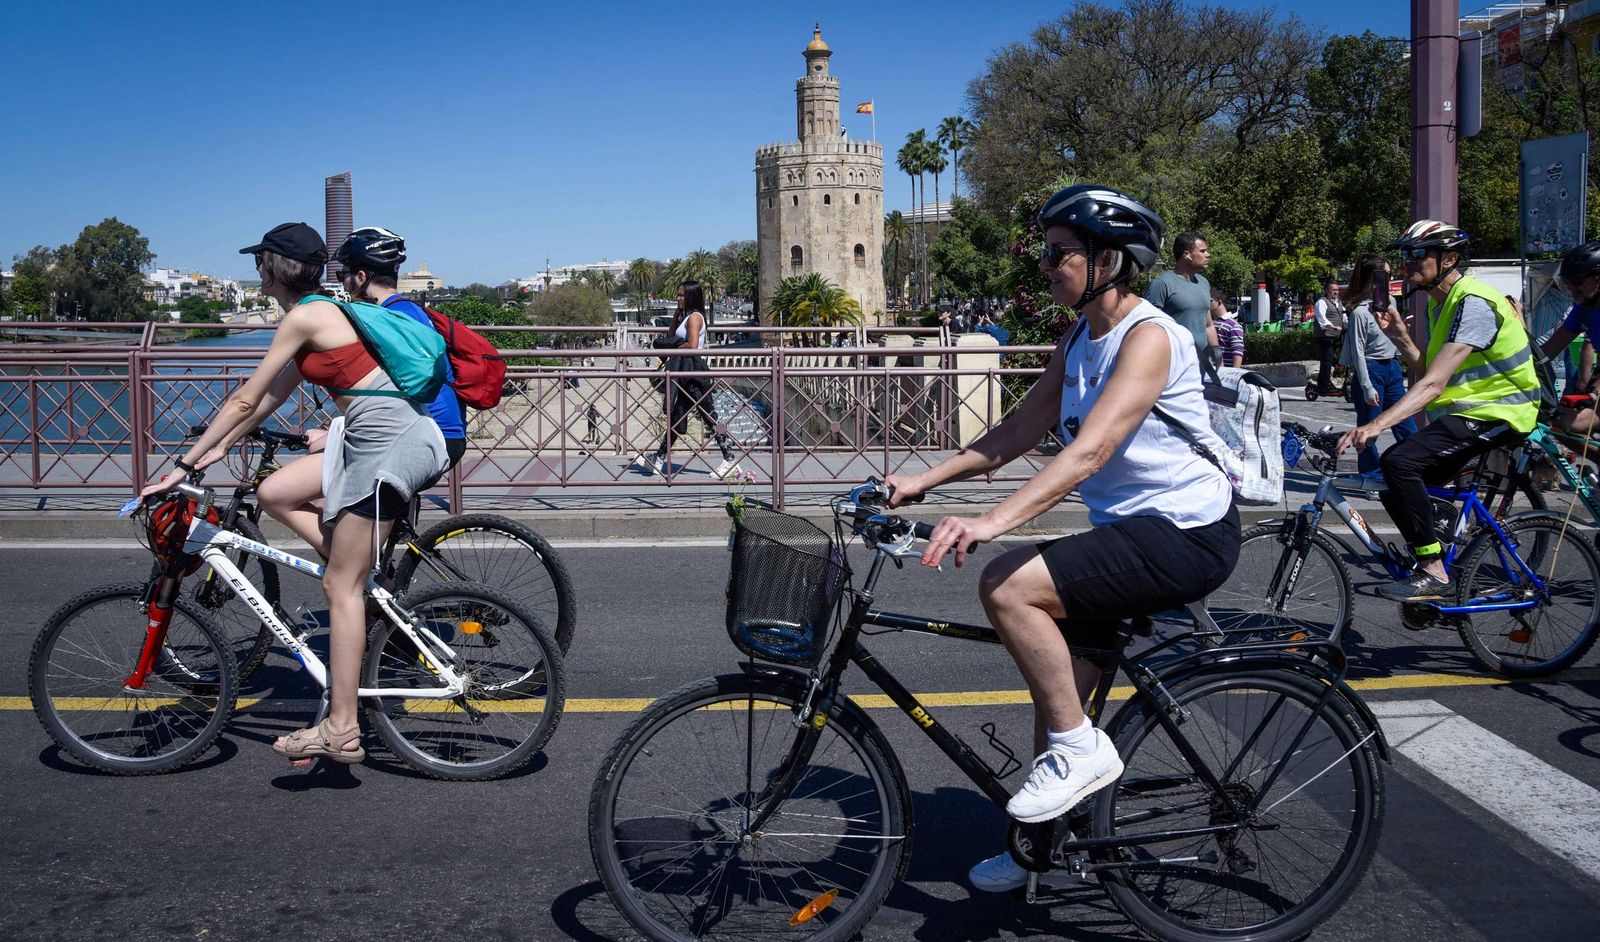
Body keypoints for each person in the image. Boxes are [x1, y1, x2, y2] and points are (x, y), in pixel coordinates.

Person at [885, 185, 1240, 892]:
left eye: (1057, 254)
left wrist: (988, 525)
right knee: (1060, 706)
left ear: (1107, 260)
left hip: (1186, 533)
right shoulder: (1080, 335)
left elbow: (1089, 454)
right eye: (1042, 252)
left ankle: (1082, 757)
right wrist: (925, 480)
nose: (1043, 266)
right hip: (1133, 529)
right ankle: (1042, 852)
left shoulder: (1149, 337)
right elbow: (1021, 430)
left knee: (1008, 585)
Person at [141, 222, 449, 763]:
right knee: (277, 492)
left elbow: (243, 397)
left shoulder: (307, 315)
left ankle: (342, 728)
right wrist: (214, 451)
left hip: (388, 444)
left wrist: (180, 465)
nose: (255, 272)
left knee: (340, 588)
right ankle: (356, 564)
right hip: (379, 437)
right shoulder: (316, 315)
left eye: (258, 262)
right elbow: (263, 404)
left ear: (271, 268)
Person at [1336, 220, 1540, 601]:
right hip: (1470, 415)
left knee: (1401, 463)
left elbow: (1432, 385)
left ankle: (1433, 570)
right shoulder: (1441, 305)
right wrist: (1398, 334)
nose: (1408, 263)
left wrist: (1376, 425)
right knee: (1390, 474)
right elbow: (1423, 370)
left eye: (1418, 254)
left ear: (1449, 259)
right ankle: (1439, 528)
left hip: (1503, 413)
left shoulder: (1474, 303)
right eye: (1405, 255)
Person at [332, 227, 468, 471]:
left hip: (426, 435)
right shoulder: (409, 311)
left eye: (343, 273)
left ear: (361, 277)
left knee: (288, 491)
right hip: (446, 430)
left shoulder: (385, 320)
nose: (342, 281)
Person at [637, 280, 740, 479]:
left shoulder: (695, 318)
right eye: (678, 295)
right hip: (684, 370)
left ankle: (730, 459)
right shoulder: (686, 317)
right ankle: (658, 459)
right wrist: (676, 315)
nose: (678, 298)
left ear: (692, 296)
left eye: (682, 295)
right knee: (678, 417)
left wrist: (674, 346)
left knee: (709, 416)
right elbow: (671, 336)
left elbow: (692, 346)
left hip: (693, 371)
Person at [1339, 253, 1417, 484]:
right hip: (1371, 370)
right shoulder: (1360, 313)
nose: (1390, 278)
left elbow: (1394, 337)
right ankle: (1371, 477)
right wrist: (1366, 386)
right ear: (1373, 278)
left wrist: (1403, 332)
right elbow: (1358, 352)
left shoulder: (1390, 304)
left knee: (1406, 425)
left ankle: (1414, 470)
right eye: (1386, 274)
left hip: (1391, 367)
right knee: (1368, 429)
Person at [1537, 241, 1600, 435]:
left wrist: (1594, 392)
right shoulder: (1584, 310)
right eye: (1567, 282)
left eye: (1577, 281)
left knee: (1577, 423)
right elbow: (1547, 351)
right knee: (1557, 423)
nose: (1571, 288)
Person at [1144, 231, 1217, 359]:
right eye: (1202, 251)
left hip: (1202, 363)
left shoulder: (1204, 283)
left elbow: (1208, 325)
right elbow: (1147, 327)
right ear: (1186, 255)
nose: (1208, 255)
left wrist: (1217, 356)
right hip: (1173, 362)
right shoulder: (1161, 284)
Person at [1312, 283, 1347, 393]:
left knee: (1331, 359)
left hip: (1335, 336)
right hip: (1324, 335)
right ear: (1327, 291)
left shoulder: (1339, 303)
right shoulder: (1322, 302)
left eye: (1337, 290)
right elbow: (1321, 318)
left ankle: (1322, 382)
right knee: (1327, 358)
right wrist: (1333, 326)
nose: (1336, 292)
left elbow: (1345, 319)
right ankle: (1325, 385)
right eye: (1333, 290)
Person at [1210, 288, 1244, 368]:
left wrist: (1234, 374)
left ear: (1219, 302)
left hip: (1225, 373)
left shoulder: (1233, 326)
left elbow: (1238, 351)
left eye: (1210, 301)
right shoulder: (1210, 324)